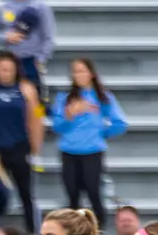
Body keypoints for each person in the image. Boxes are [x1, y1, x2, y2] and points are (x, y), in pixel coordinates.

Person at [50, 58, 125, 218]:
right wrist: (69, 114)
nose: (79, 75)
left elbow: (120, 123)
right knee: (72, 196)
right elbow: (57, 127)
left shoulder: (103, 97)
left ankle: (99, 230)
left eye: (82, 70)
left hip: (92, 152)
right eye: (75, 71)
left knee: (94, 193)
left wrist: (101, 133)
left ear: (91, 73)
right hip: (69, 151)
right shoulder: (64, 98)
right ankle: (74, 234)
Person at [0, 50, 42, 230]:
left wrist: (35, 150)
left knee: (25, 192)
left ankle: (31, 231)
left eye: (9, 69)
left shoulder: (26, 89)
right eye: (2, 69)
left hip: (19, 147)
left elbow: (35, 120)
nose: (6, 73)